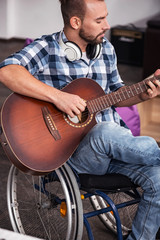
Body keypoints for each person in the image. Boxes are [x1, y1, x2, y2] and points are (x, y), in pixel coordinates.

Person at [0, 0, 160, 239]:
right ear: (75, 22)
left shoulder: (106, 49)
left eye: (106, 18)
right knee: (104, 131)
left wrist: (143, 94)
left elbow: (116, 96)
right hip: (74, 157)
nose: (107, 25)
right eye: (99, 20)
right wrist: (58, 97)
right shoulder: (47, 48)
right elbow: (7, 70)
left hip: (115, 151)